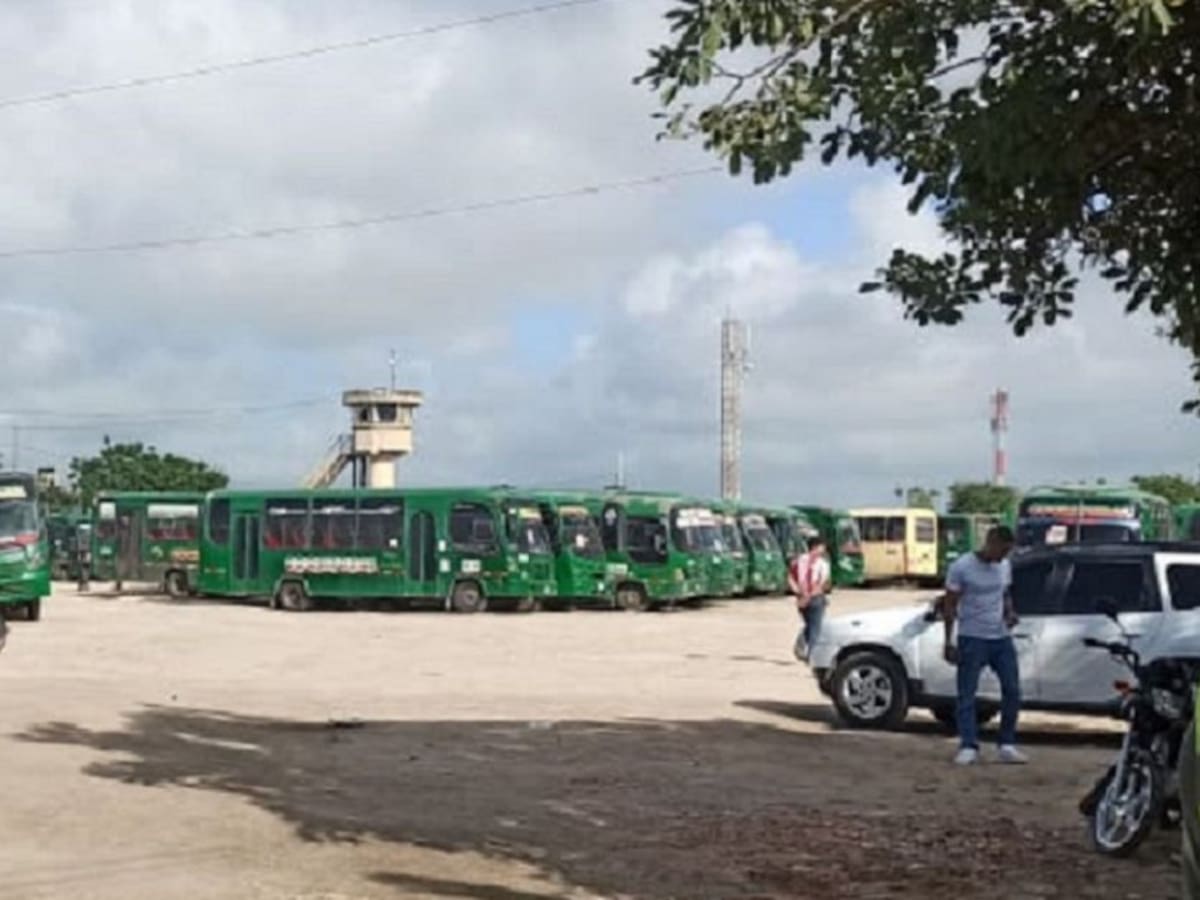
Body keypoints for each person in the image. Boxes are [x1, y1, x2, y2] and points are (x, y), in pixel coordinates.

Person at [943, 525, 1027, 766]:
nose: (1003, 557)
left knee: (1012, 690)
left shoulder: (1004, 566)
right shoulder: (962, 567)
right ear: (989, 543)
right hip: (972, 636)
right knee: (967, 693)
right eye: (1001, 550)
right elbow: (950, 604)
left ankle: (1007, 743)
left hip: (1000, 637)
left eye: (1007, 552)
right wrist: (948, 640)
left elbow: (1004, 594)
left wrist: (1009, 613)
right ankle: (968, 744)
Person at [790, 536, 831, 662]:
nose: (823, 550)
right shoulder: (819, 563)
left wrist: (800, 593)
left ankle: (806, 649)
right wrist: (805, 595)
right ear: (815, 547)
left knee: (811, 625)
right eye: (822, 547)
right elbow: (821, 584)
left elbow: (790, 578)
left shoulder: (799, 561)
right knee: (814, 628)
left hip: (807, 598)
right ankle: (809, 651)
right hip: (810, 598)